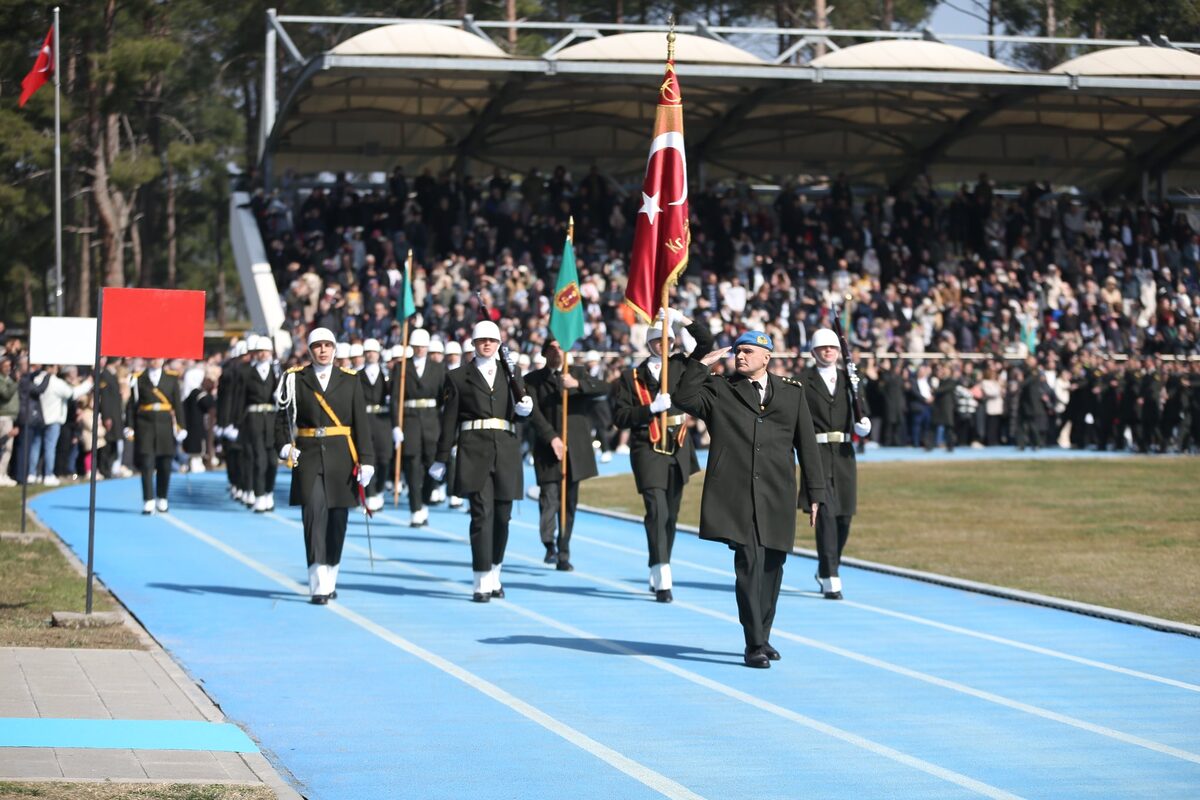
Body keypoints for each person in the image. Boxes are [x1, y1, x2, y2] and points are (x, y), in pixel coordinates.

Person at [672, 330, 826, 669]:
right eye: (737, 351)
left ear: (766, 356)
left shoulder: (791, 393)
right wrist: (700, 365)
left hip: (778, 492)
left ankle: (763, 634)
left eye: (748, 351)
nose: (740, 356)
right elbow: (682, 397)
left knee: (773, 567)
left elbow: (807, 445)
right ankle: (753, 643)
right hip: (737, 493)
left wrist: (815, 492)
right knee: (748, 566)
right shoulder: (720, 389)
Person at [610, 309, 713, 602]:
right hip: (647, 447)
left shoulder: (681, 365)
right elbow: (620, 416)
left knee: (671, 515)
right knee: (657, 510)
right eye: (657, 340)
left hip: (678, 446)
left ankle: (658, 562)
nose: (663, 345)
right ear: (649, 343)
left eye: (667, 339)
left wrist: (681, 319)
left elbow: (706, 343)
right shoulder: (633, 376)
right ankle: (662, 570)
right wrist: (650, 409)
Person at [429, 320, 533, 602]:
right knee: (481, 515)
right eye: (481, 340)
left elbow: (521, 410)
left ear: (499, 344)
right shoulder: (458, 377)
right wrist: (441, 457)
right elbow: (449, 418)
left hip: (507, 451)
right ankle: (480, 579)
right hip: (474, 451)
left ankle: (495, 573)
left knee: (502, 517)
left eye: (492, 340)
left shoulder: (513, 372)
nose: (487, 344)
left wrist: (526, 408)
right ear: (473, 344)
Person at [275, 327, 375, 604]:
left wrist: (367, 460)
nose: (322, 350)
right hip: (307, 456)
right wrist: (284, 445)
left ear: (334, 349)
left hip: (343, 457)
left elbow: (361, 423)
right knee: (313, 516)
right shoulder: (295, 379)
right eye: (317, 346)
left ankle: (331, 572)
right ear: (310, 350)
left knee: (337, 521)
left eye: (327, 345)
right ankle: (317, 581)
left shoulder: (351, 380)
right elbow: (283, 418)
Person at [525, 338, 609, 571]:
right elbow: (534, 413)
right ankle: (548, 542)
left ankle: (564, 552)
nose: (557, 352)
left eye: (561, 347)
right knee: (549, 498)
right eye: (552, 348)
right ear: (544, 353)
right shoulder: (532, 380)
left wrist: (577, 385)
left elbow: (604, 388)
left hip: (576, 450)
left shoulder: (578, 373)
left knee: (569, 503)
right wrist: (552, 437)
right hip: (548, 449)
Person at [803, 329, 871, 600]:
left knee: (844, 517)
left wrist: (863, 425)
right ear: (814, 352)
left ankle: (827, 566)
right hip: (816, 453)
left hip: (843, 453)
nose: (828, 351)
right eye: (823, 348)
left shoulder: (850, 379)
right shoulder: (802, 381)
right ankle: (831, 577)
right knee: (826, 515)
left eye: (832, 347)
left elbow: (861, 407)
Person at [392, 328, 445, 526]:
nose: (421, 349)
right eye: (417, 346)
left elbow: (443, 398)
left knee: (434, 466)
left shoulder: (438, 368)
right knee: (412, 467)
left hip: (432, 421)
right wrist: (396, 426)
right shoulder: (401, 368)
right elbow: (396, 399)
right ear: (412, 347)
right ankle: (415, 509)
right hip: (410, 420)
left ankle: (424, 499)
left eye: (423, 346)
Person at [125, 359, 184, 513]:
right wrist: (130, 426)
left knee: (165, 463)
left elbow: (177, 404)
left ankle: (162, 497)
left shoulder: (171, 378)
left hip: (165, 425)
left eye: (158, 358)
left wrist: (180, 425)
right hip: (145, 425)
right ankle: (148, 499)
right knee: (147, 463)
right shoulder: (138, 378)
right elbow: (132, 405)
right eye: (151, 358)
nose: (155, 361)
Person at [239, 336, 280, 512]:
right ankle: (259, 495)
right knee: (259, 459)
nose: (263, 354)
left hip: (272, 418)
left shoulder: (277, 372)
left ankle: (269, 492)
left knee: (272, 461)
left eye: (266, 351)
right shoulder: (247, 373)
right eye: (260, 351)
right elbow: (240, 400)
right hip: (254, 418)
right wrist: (236, 423)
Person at [356, 338, 393, 512]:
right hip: (364, 419)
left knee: (384, 458)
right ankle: (369, 494)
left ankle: (378, 491)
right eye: (368, 352)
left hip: (383, 419)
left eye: (373, 352)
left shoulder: (387, 375)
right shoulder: (357, 376)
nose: (371, 355)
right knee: (367, 459)